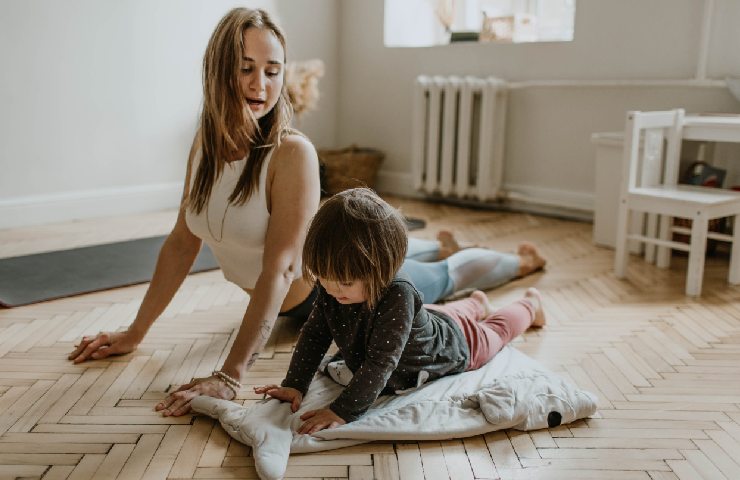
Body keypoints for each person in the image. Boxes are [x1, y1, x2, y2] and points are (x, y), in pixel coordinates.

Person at [67, 7, 545, 417]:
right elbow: (180, 243)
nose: (261, 84)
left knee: (442, 277)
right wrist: (135, 331)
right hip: (321, 289)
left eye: (272, 70)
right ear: (217, 69)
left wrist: (231, 375)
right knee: (427, 269)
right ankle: (443, 258)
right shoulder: (204, 146)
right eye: (246, 67)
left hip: (345, 291)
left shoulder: (291, 153)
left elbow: (280, 268)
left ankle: (518, 266)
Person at [255, 188, 545, 434]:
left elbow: (381, 363)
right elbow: (315, 334)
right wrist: (295, 384)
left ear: (381, 269)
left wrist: (342, 411)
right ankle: (477, 302)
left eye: (344, 282)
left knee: (496, 330)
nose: (331, 289)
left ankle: (530, 305)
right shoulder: (335, 287)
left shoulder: (398, 294)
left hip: (455, 344)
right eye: (323, 277)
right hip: (427, 319)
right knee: (444, 314)